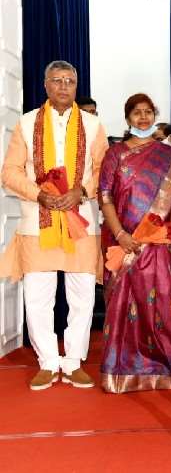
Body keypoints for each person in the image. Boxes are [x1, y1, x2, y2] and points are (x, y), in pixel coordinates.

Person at [0, 60, 108, 390]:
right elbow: (10, 172)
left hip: (81, 220)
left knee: (82, 294)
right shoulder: (26, 122)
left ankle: (73, 362)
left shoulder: (92, 124)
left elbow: (105, 170)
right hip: (38, 221)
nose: (63, 86)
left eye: (69, 81)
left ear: (76, 86)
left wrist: (81, 191)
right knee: (37, 295)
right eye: (57, 81)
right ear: (45, 85)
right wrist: (39, 194)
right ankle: (48, 361)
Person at [98, 93, 171, 393]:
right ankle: (121, 371)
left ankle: (169, 366)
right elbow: (105, 197)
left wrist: (167, 231)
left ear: (155, 116)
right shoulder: (115, 154)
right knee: (122, 305)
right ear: (127, 118)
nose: (143, 117)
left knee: (161, 303)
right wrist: (121, 235)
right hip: (123, 243)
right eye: (137, 112)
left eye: (148, 112)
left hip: (157, 243)